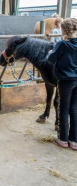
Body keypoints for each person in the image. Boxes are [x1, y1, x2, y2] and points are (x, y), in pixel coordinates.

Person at [47, 18, 77, 150]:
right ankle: (74, 141)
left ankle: (63, 139)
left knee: (63, 108)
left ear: (64, 30)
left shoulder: (62, 44)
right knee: (75, 109)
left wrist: (50, 53)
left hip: (65, 80)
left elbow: (50, 60)